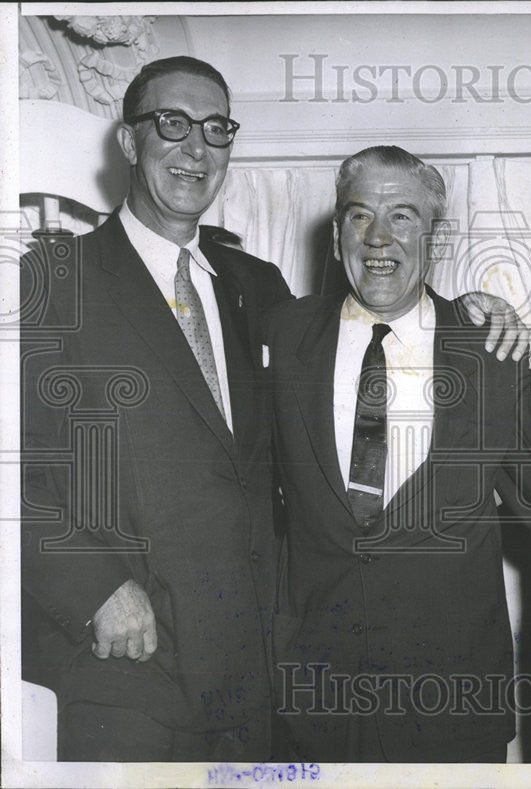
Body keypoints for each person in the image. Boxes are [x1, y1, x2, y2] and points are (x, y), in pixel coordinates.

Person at [20, 56, 292, 761]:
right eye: (172, 123)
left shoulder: (259, 287)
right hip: (125, 674)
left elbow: (348, 369)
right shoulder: (50, 280)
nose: (196, 148)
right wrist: (95, 586)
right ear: (129, 142)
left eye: (216, 128)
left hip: (255, 682)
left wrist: (466, 317)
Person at [268, 145, 531, 763]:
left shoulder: (493, 353)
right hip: (314, 699)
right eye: (360, 215)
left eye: (403, 217)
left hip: (451, 705)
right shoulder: (280, 337)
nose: (378, 238)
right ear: (337, 232)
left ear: (434, 236)